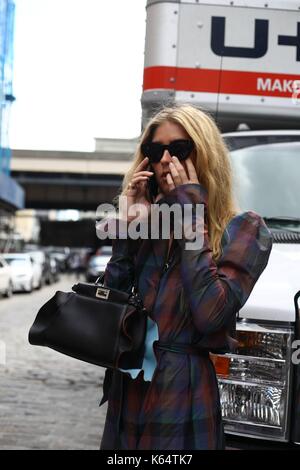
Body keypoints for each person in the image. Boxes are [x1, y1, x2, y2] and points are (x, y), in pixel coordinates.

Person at [98, 104, 273, 450]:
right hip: (130, 386)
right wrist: (126, 231)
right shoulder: (150, 225)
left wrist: (191, 215)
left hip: (183, 389)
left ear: (204, 154)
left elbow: (212, 315)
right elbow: (109, 314)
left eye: (178, 149)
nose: (165, 159)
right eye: (154, 150)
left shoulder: (245, 229)